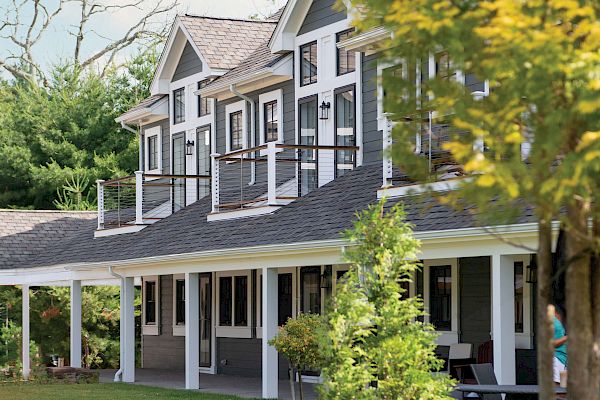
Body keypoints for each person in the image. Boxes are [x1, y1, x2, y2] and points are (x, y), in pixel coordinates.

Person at [552, 305, 568, 385]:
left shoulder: (559, 323)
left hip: (564, 360)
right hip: (556, 358)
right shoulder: (554, 322)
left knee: (563, 389)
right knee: (557, 390)